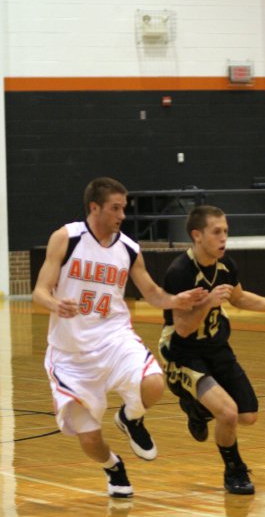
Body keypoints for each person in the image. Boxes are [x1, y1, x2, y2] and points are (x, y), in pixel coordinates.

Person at [32, 177, 208, 499]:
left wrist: (175, 300)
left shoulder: (128, 248)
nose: (122, 215)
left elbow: (153, 294)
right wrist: (55, 303)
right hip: (71, 355)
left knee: (154, 383)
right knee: (90, 439)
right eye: (115, 208)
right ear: (94, 207)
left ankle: (131, 417)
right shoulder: (66, 238)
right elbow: (39, 292)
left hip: (114, 337)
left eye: (124, 208)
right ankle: (113, 466)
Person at [158, 205, 265, 495]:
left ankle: (196, 409)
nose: (223, 238)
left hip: (217, 348)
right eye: (216, 232)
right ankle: (234, 470)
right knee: (228, 414)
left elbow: (241, 299)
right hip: (184, 352)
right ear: (197, 235)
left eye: (226, 232)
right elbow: (182, 328)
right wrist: (207, 303)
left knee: (248, 416)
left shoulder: (226, 265)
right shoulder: (180, 272)